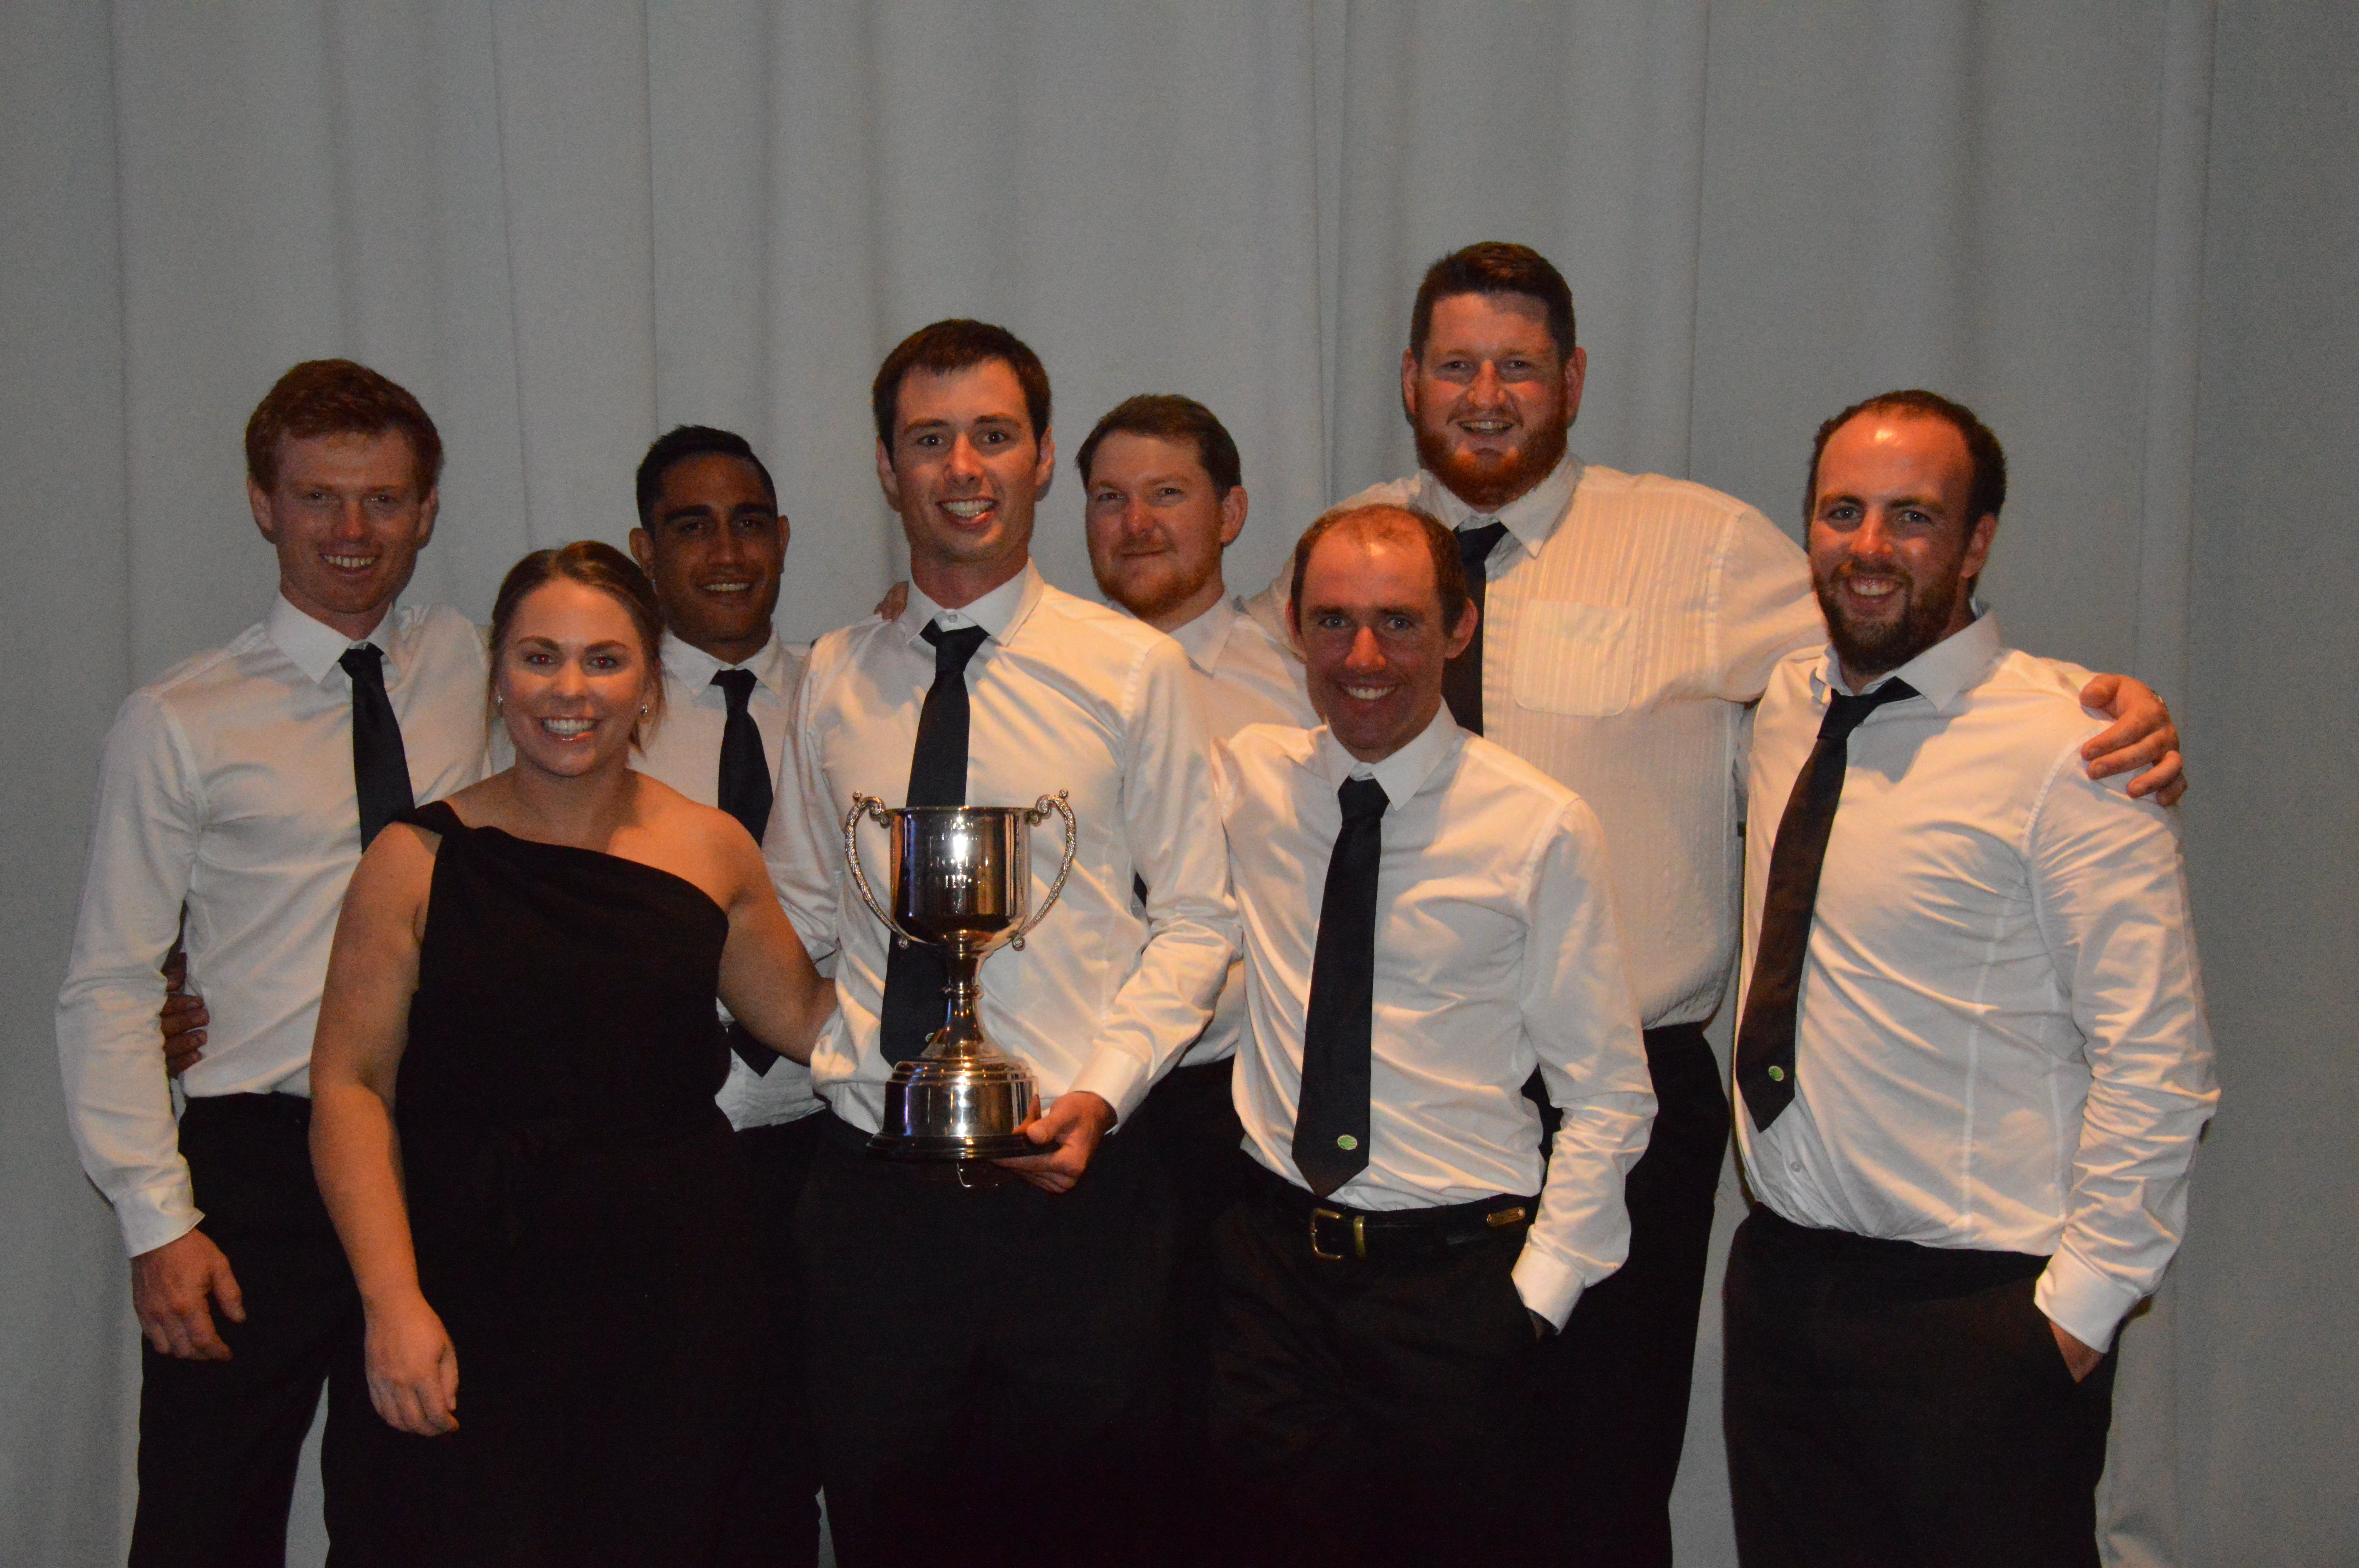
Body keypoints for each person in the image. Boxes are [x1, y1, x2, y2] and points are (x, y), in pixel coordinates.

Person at [1269, 241, 2188, 1562]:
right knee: (1398, 1483)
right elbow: (1221, 666)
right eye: (1458, 365)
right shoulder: (1360, 556)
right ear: (1410, 381)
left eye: (1520, 366)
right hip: (1409, 1091)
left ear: (1573, 381)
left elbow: (1892, 640)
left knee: (1596, 1484)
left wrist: (2106, 704)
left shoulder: (1697, 544)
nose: (1487, 393)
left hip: (1629, 1090)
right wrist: (931, 623)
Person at [765, 319, 1237, 1567]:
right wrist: (845, 1057)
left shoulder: (1133, 672)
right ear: (886, 467)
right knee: (883, 1530)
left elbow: (1199, 918)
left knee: (1089, 1535)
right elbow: (802, 906)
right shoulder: (832, 675)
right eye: (930, 440)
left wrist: (1102, 1094)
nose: (962, 466)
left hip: (1076, 1197)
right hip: (874, 1204)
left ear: (1037, 461)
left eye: (992, 435)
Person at [1721, 392, 2216, 1567]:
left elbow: (2162, 1058)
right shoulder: (1788, 702)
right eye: (1842, 512)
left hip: (1982, 1317)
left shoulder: (2077, 749)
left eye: (1914, 517)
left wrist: (2077, 1317)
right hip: (1786, 1281)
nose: (1870, 547)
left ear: (1978, 541)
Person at [307, 541, 836, 1566]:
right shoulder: (411, 862)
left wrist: (980, 1001)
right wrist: (393, 1302)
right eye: (540, 657)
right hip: (465, 1292)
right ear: (498, 673)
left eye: (604, 660)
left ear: (648, 683)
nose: (570, 691)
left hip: (678, 1303)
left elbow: (806, 1020)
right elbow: (350, 1087)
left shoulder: (712, 847)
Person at [56, 359, 486, 1566]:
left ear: (428, 510)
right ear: (262, 502)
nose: (353, 532)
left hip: (438, 1156)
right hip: (254, 1166)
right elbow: (109, 981)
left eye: (385, 501)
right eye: (318, 499)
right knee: (207, 1519)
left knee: (418, 1515)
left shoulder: (481, 667)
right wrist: (158, 1222)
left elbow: (623, 669)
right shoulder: (180, 719)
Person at [1209, 503, 1654, 1567]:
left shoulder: (1538, 826)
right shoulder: (1247, 780)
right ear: (1295, 630)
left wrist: (1532, 1306)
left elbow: (1610, 1096)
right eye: (1333, 623)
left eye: (1400, 624)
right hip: (1271, 1283)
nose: (1364, 659)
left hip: (1454, 1293)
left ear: (1459, 630)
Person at [1076, 394, 1316, 1561]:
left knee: (1234, 1446)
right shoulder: (1044, 672)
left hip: (1234, 1122)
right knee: (1097, 1440)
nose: (1135, 524)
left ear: (1230, 514)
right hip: (1081, 1117)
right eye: (1109, 499)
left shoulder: (1306, 678)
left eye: (1166, 495)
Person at [626, 424, 823, 1568]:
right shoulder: (591, 712)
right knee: (663, 1463)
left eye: (750, 520)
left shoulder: (856, 688)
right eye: (691, 526)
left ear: (785, 538)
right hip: (658, 1143)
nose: (727, 551)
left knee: (789, 1462)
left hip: (818, 1142)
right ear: (646, 549)